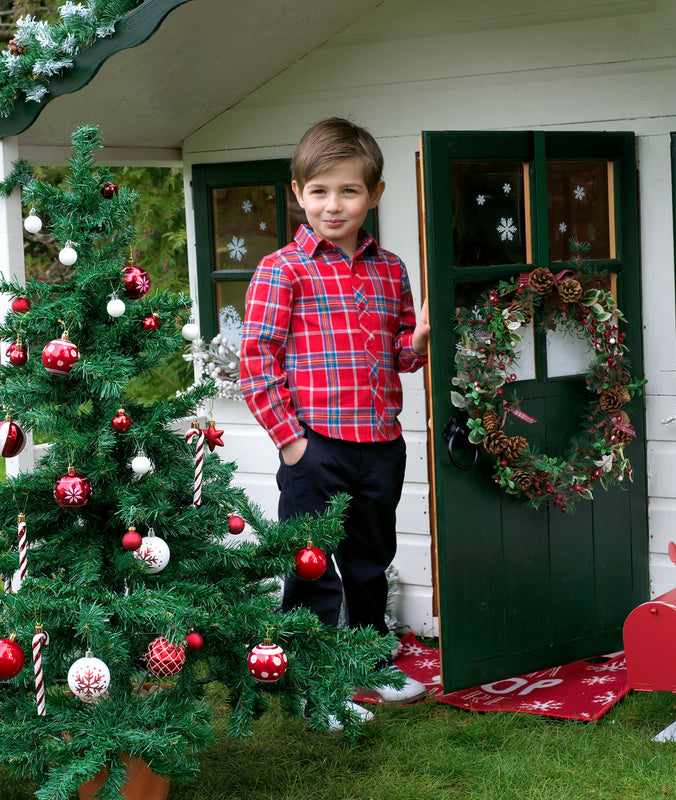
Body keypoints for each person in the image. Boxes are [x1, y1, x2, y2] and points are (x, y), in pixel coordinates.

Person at [240, 117, 430, 720]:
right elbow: (256, 363)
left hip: (379, 443)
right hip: (314, 447)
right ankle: (314, 682)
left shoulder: (390, 269)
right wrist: (292, 444)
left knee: (370, 562)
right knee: (312, 567)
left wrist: (420, 336)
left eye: (349, 190)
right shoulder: (283, 270)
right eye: (319, 191)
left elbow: (399, 355)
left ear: (374, 194)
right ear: (298, 193)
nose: (333, 204)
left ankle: (372, 659)